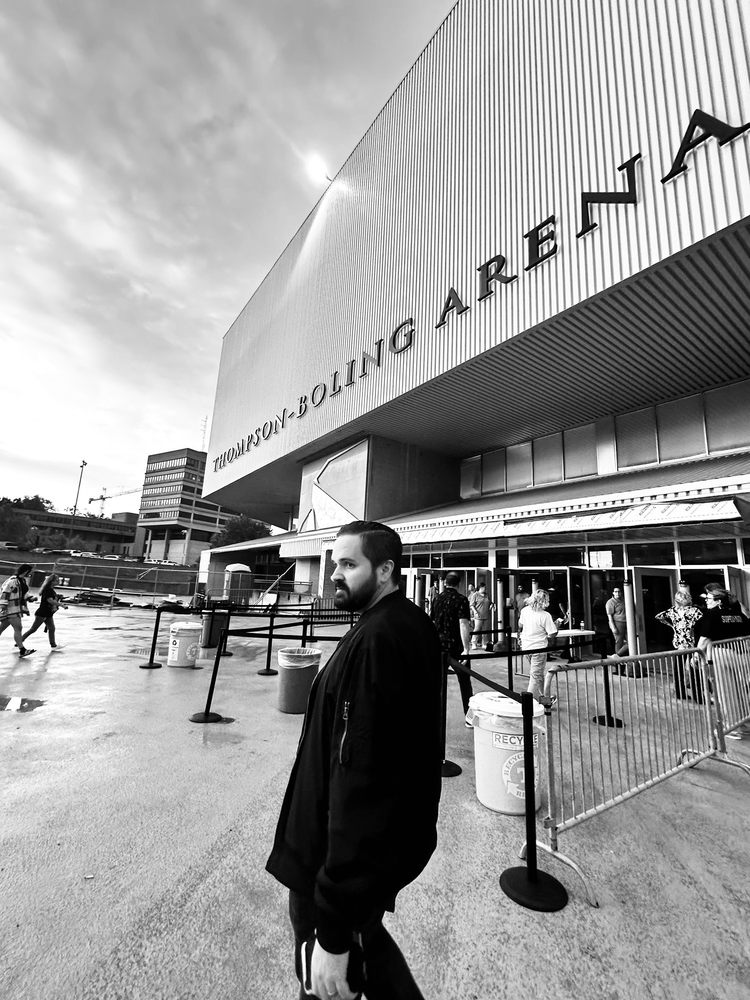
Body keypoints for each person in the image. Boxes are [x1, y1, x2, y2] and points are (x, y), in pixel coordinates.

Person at [266, 521, 442, 1000]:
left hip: (333, 869)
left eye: (348, 564)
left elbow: (361, 778)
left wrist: (334, 926)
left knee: (330, 980)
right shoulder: (399, 624)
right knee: (370, 968)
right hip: (354, 866)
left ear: (385, 570)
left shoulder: (379, 640)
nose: (334, 576)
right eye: (333, 564)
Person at [694, 586, 750, 717]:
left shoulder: (712, 615)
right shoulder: (738, 614)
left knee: (726, 692)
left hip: (721, 654)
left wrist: (696, 656)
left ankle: (732, 726)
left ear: (718, 601)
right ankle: (745, 721)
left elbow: (704, 639)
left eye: (708, 599)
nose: (706, 601)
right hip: (741, 654)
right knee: (741, 690)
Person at [430, 570, 473, 718]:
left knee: (436, 683)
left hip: (438, 646)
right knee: (465, 682)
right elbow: (463, 624)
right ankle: (468, 716)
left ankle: (434, 716)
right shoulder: (461, 599)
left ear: (444, 583)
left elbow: (433, 622)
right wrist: (467, 648)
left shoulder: (437, 599)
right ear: (459, 584)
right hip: (456, 647)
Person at [655, 591, 703, 698]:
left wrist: (672, 626)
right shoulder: (694, 611)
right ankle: (698, 695)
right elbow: (702, 621)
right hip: (691, 643)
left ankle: (680, 692)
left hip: (679, 643)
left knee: (679, 669)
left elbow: (658, 616)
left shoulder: (673, 610)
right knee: (694, 669)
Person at [517, 588, 558, 701]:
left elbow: (520, 624)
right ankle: (526, 702)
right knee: (535, 676)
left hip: (526, 647)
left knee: (538, 674)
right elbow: (552, 634)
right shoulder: (545, 615)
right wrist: (556, 626)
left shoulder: (525, 611)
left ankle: (546, 697)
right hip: (539, 648)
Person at [22, 573, 66, 650]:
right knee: (33, 629)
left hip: (48, 613)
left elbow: (52, 599)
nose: (58, 582)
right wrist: (61, 605)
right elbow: (50, 600)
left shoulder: (51, 590)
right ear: (52, 582)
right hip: (42, 613)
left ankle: (53, 645)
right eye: (57, 580)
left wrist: (57, 597)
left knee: (52, 628)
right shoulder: (48, 590)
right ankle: (20, 641)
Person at [0, 564, 35, 656]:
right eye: (30, 571)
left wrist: (30, 598)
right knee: (18, 628)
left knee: (2, 628)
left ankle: (22, 649)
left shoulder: (22, 581)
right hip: (11, 608)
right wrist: (3, 605)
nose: (31, 573)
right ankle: (22, 650)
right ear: (26, 571)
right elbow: (5, 592)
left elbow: (23, 593)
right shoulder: (12, 581)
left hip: (16, 608)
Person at [606, 586, 628, 657]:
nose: (617, 593)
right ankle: (617, 660)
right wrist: (613, 627)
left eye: (619, 591)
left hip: (627, 623)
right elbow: (609, 616)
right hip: (618, 623)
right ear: (613, 593)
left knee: (631, 641)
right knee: (619, 642)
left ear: (621, 593)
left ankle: (617, 656)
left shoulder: (624, 600)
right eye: (616, 591)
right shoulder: (610, 602)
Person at [469, 582, 492, 650]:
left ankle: (484, 643)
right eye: (484, 587)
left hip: (486, 614)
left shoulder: (486, 595)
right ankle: (474, 642)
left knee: (485, 630)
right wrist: (475, 612)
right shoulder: (475, 595)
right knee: (477, 629)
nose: (485, 589)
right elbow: (472, 605)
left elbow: (490, 602)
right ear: (480, 588)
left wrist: (491, 605)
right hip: (478, 615)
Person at [592, 590, 612, 659]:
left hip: (604, 623)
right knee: (602, 641)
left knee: (604, 641)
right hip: (601, 623)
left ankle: (604, 656)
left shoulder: (607, 602)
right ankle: (604, 656)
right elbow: (595, 611)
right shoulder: (599, 602)